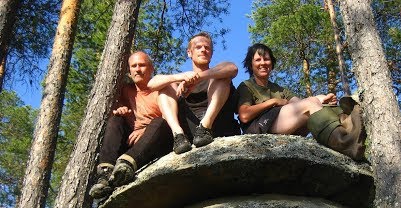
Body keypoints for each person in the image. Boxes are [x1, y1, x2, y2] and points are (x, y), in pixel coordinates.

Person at [236, 43, 366, 161]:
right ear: (250, 64)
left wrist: (321, 99)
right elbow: (244, 115)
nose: (263, 63)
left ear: (272, 63)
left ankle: (350, 127)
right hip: (259, 128)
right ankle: (345, 143)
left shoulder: (279, 89)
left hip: (279, 125)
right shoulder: (246, 86)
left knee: (321, 106)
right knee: (309, 105)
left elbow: (300, 103)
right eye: (258, 60)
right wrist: (273, 101)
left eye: (266, 59)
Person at [89, 51, 191, 199]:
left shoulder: (164, 87)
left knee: (160, 121)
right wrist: (120, 110)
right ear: (129, 71)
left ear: (151, 69)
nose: (137, 69)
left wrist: (144, 130)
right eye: (134, 66)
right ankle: (106, 173)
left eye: (142, 65)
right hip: (130, 142)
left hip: (157, 142)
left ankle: (126, 165)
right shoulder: (124, 90)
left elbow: (172, 114)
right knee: (115, 120)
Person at [147, 31, 241, 148]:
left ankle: (205, 127)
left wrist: (198, 77)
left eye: (207, 47)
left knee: (220, 78)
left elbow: (233, 68)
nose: (203, 50)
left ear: (211, 53)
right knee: (166, 86)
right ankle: (178, 135)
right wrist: (180, 77)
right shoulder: (180, 81)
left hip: (219, 128)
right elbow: (151, 84)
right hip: (190, 134)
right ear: (189, 53)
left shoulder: (218, 73)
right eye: (198, 47)